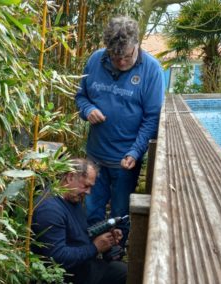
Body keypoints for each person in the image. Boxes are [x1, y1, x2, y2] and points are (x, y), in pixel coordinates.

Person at [74, 16, 165, 245]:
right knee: (92, 210)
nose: (121, 62)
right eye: (116, 57)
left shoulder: (152, 70)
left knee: (120, 213)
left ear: (137, 45)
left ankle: (116, 255)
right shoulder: (95, 60)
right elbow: (81, 96)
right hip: (95, 156)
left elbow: (152, 117)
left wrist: (135, 151)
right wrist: (88, 110)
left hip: (126, 160)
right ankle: (93, 252)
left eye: (126, 56)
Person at [32, 158, 127, 284]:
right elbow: (58, 257)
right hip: (66, 274)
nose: (88, 192)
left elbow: (77, 234)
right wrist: (95, 247)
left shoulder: (72, 198)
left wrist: (105, 237)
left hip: (82, 263)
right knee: (123, 273)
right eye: (86, 186)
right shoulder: (50, 210)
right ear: (70, 177)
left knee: (122, 269)